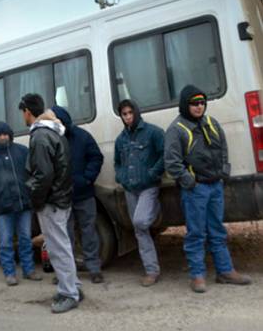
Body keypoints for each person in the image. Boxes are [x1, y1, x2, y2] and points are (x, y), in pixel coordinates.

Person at [164, 85, 252, 293]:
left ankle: (225, 271)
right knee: (196, 233)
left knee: (217, 231)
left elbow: (222, 148)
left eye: (202, 102)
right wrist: (190, 183)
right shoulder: (176, 130)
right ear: (186, 105)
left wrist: (224, 171)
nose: (199, 106)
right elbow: (172, 163)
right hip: (196, 190)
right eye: (194, 103)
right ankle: (197, 276)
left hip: (215, 186)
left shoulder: (212, 123)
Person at [18, 94, 82, 314]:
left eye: (22, 112)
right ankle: (73, 287)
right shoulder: (55, 131)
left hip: (51, 201)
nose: (22, 117)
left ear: (27, 111)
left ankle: (69, 293)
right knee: (63, 246)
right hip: (61, 197)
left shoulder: (40, 136)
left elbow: (43, 175)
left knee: (57, 249)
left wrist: (36, 200)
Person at [0, 121, 42, 286]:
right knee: (5, 242)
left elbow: (34, 172)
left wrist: (29, 191)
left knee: (26, 239)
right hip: (3, 208)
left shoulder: (22, 151)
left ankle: (29, 270)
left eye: (5, 134)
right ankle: (9, 273)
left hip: (24, 205)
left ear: (10, 135)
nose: (2, 137)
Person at [51, 106, 105, 284]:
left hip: (84, 194)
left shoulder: (82, 137)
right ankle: (66, 273)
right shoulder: (51, 139)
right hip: (62, 198)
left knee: (89, 232)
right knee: (65, 237)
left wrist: (86, 178)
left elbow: (96, 157)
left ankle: (94, 269)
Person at [114, 99, 164, 287]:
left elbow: (164, 154)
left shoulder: (153, 132)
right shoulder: (121, 139)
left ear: (136, 112)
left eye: (129, 113)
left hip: (149, 187)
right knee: (140, 230)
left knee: (140, 221)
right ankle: (152, 271)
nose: (127, 117)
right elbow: (117, 163)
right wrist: (121, 177)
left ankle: (156, 210)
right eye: (124, 114)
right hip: (130, 189)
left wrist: (153, 174)